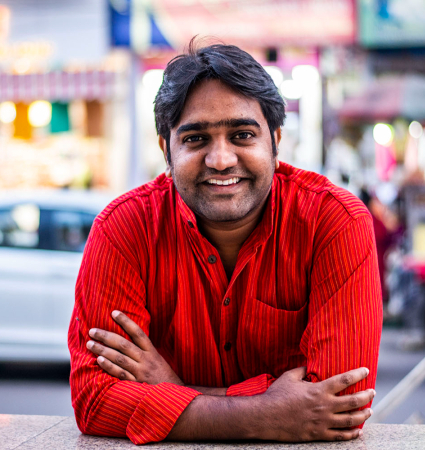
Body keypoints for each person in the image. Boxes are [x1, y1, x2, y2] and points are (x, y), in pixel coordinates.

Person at [69, 40, 382, 445]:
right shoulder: (124, 229)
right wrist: (265, 412)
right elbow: (94, 400)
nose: (221, 159)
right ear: (167, 149)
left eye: (242, 135)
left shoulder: (335, 223)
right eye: (196, 139)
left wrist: (172, 388)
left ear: (275, 140)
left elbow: (341, 404)